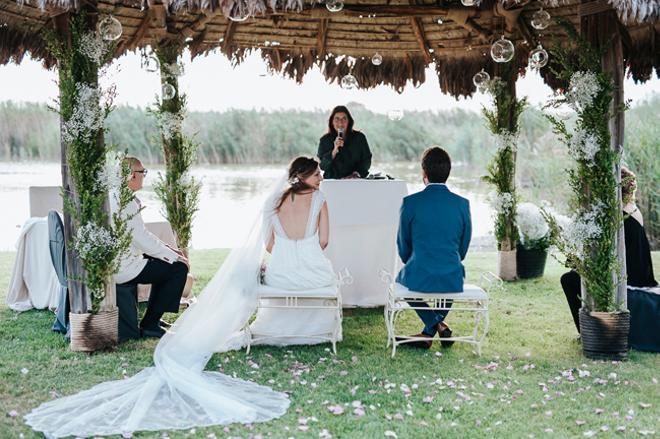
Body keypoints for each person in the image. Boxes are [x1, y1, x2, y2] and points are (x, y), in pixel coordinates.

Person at [248, 156, 339, 345]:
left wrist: (286, 255)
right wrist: (307, 253)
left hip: (281, 276)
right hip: (314, 275)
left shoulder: (272, 201)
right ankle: (317, 331)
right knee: (327, 276)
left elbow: (269, 244)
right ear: (302, 176)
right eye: (316, 174)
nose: (321, 178)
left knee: (287, 276)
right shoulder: (319, 198)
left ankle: (276, 328)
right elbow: (324, 241)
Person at [561, 166, 657, 333]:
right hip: (637, 274)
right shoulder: (632, 210)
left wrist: (579, 265)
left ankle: (587, 331)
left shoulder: (620, 217)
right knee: (574, 274)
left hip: (629, 279)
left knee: (569, 279)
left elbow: (607, 261)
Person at [395, 147, 472, 349]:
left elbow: (403, 244)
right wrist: (452, 260)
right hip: (452, 272)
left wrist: (411, 261)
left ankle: (429, 330)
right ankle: (438, 326)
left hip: (420, 270)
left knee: (402, 282)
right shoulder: (462, 204)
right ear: (448, 172)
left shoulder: (410, 203)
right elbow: (463, 246)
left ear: (423, 173)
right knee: (448, 281)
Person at [113, 157, 190, 338]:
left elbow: (141, 234)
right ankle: (150, 323)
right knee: (178, 268)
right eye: (143, 172)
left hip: (123, 260)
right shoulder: (125, 201)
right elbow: (142, 239)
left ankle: (152, 319)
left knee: (166, 263)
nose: (144, 176)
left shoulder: (118, 194)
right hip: (123, 266)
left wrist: (170, 251)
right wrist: (174, 256)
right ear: (132, 175)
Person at [317, 105, 372, 179]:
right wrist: (334, 150)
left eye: (344, 119)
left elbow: (367, 160)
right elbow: (323, 166)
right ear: (332, 122)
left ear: (349, 121)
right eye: (337, 119)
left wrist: (357, 174)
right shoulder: (324, 140)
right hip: (333, 182)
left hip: (355, 181)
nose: (340, 123)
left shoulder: (360, 138)